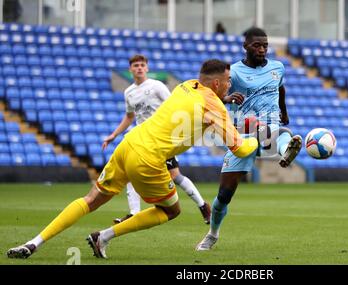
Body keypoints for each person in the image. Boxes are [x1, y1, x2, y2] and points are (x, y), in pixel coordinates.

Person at [6, 59, 259, 259]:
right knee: (171, 210)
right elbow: (239, 149)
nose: (229, 85)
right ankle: (104, 236)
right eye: (227, 81)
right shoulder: (214, 106)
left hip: (129, 144)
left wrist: (221, 103)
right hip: (148, 158)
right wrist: (257, 136)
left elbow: (198, 104)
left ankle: (33, 242)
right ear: (216, 84)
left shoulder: (187, 84)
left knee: (91, 199)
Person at [196, 27, 302, 251]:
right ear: (245, 46)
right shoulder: (233, 72)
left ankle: (285, 150)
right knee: (224, 194)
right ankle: (212, 234)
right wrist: (226, 98)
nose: (262, 49)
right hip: (242, 133)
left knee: (278, 133)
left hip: (269, 124)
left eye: (265, 45)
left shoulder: (277, 67)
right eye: (257, 45)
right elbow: (209, 95)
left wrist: (284, 111)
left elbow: (280, 88)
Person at [102, 54, 211, 225]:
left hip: (161, 138)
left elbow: (174, 105)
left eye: (142, 65)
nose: (139, 67)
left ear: (147, 68)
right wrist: (113, 135)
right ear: (130, 69)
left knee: (175, 175)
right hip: (142, 140)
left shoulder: (156, 86)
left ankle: (203, 205)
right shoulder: (128, 92)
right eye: (135, 65)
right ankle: (133, 214)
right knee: (129, 173)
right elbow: (129, 117)